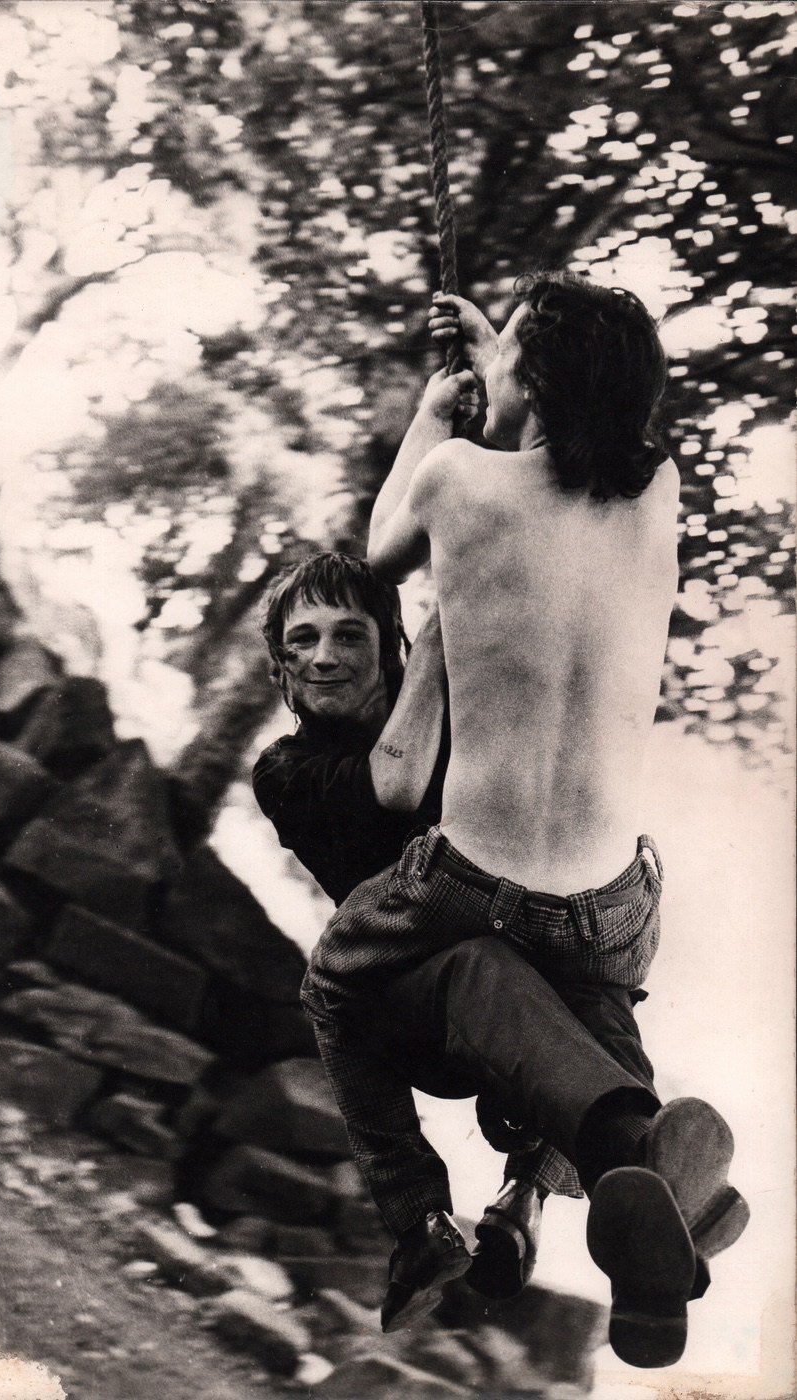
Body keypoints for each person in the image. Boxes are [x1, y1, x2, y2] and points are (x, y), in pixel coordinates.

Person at [297, 272, 749, 1365]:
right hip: (608, 897)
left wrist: (430, 414)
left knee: (331, 981)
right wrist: (506, 357)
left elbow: (378, 552)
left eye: (510, 364)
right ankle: (638, 1166)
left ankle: (414, 1216)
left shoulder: (458, 479)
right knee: (583, 1005)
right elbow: (557, 433)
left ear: (531, 380)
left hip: (473, 869)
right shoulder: (657, 495)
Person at [253, 551, 590, 1302]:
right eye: (301, 640)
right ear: (280, 667)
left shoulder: (473, 721)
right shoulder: (285, 770)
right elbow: (394, 785)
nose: (324, 657)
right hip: (409, 1013)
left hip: (520, 997)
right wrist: (442, 631)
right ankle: (419, 1218)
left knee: (596, 971)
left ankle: (524, 1202)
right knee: (330, 992)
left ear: (385, 642)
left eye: (348, 634)